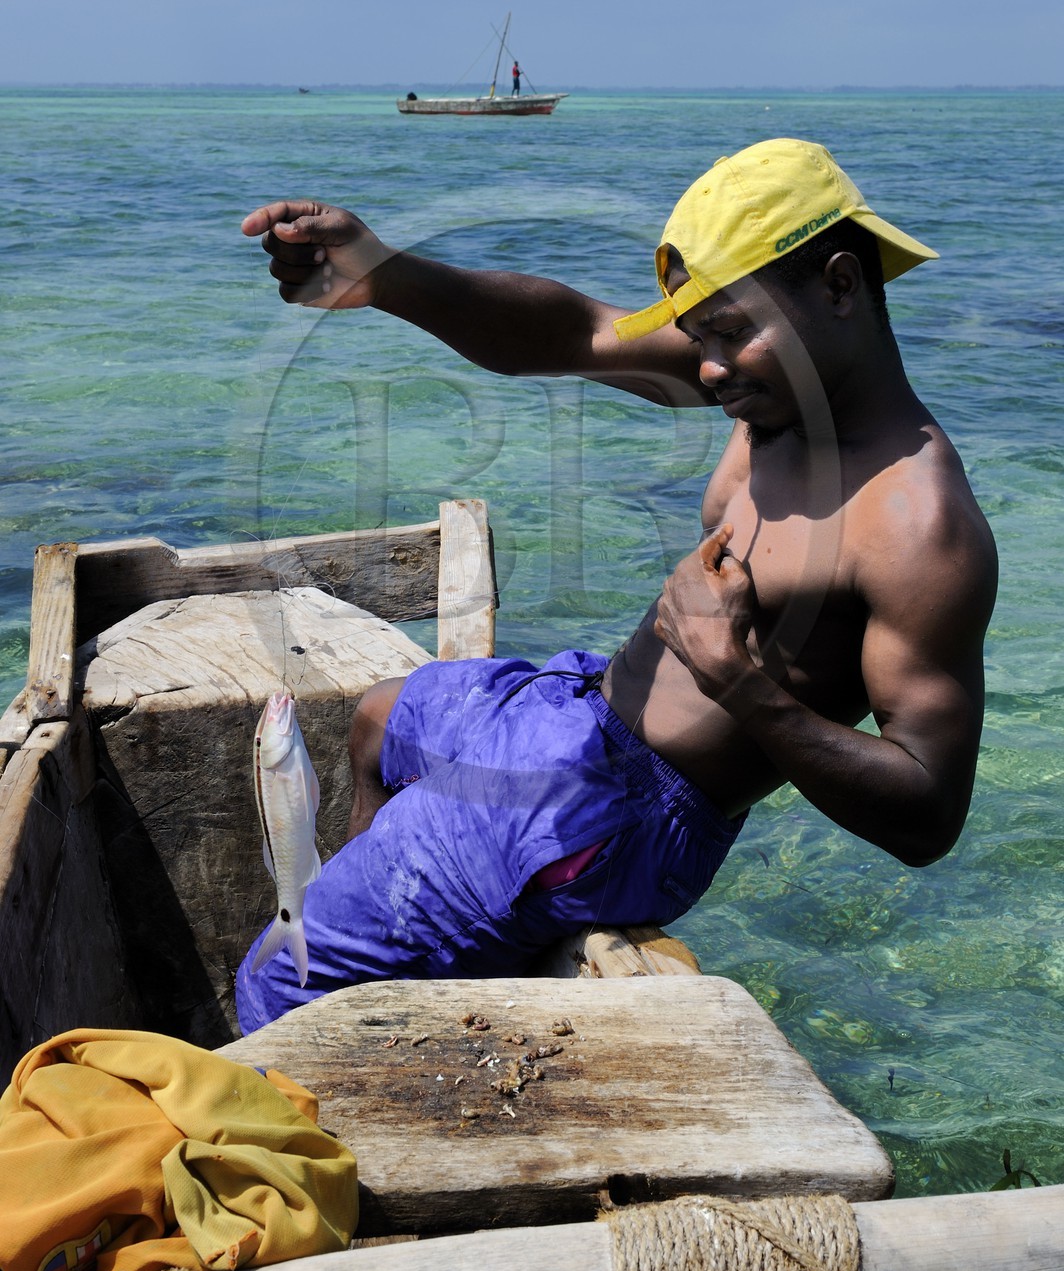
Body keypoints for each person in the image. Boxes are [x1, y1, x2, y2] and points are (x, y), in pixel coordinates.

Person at [235, 138, 997, 1033]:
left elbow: (929, 815)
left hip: (621, 817)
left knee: (272, 986)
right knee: (381, 716)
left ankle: (364, 967)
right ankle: (406, 951)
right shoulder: (774, 388)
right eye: (699, 334)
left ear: (838, 287)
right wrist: (389, 276)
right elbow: (577, 331)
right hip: (583, 709)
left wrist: (741, 684)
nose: (709, 369)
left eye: (731, 332)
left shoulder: (916, 528)